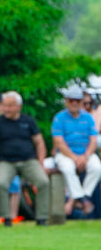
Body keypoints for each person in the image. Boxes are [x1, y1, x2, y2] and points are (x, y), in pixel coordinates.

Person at [0, 91, 50, 226]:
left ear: (19, 107)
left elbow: (39, 142)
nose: (6, 109)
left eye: (10, 106)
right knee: (1, 183)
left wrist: (41, 162)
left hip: (28, 160)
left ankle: (41, 217)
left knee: (43, 181)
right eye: (5, 106)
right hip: (6, 161)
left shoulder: (28, 121)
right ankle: (6, 217)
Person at [52, 85, 101, 216]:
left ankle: (81, 197)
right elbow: (59, 142)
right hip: (65, 154)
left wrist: (85, 157)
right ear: (66, 101)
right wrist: (74, 158)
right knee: (67, 167)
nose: (74, 103)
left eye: (77, 100)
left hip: (85, 153)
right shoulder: (59, 118)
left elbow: (93, 140)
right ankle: (83, 199)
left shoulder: (88, 118)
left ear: (81, 102)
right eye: (71, 100)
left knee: (97, 167)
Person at [0, 93, 23, 224]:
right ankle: (2, 214)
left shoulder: (12, 121)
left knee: (14, 186)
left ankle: (13, 215)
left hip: (10, 158)